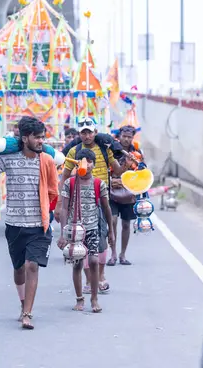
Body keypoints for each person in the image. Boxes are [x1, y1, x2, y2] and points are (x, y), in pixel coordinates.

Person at [0, 116, 58, 330]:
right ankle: (23, 305)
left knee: (32, 265)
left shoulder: (46, 161)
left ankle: (28, 313)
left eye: (42, 138)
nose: (41, 142)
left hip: (40, 225)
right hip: (14, 225)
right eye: (37, 138)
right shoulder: (8, 158)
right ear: (24, 137)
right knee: (19, 268)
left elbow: (53, 191)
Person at [55, 117, 131, 294]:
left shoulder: (104, 150)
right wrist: (60, 204)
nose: (87, 135)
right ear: (79, 134)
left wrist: (125, 166)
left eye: (89, 132)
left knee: (101, 242)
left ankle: (101, 276)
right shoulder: (74, 152)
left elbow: (117, 171)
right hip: (79, 203)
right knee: (83, 243)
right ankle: (90, 280)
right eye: (83, 132)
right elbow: (64, 177)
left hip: (102, 200)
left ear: (95, 132)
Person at [58, 148, 113, 313]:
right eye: (82, 161)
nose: (86, 165)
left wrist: (110, 231)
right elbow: (65, 208)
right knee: (77, 264)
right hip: (75, 231)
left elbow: (106, 207)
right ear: (77, 164)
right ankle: (79, 298)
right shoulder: (70, 183)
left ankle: (94, 298)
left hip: (92, 228)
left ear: (94, 165)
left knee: (94, 261)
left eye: (89, 162)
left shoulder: (98, 184)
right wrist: (64, 233)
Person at [108, 125, 142, 266]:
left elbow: (141, 172)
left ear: (132, 138)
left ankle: (123, 254)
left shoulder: (137, 153)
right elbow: (104, 169)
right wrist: (111, 180)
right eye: (124, 136)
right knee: (113, 221)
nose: (126, 139)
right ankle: (113, 254)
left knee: (126, 224)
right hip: (112, 192)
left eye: (129, 137)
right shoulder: (111, 151)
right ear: (119, 136)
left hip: (128, 194)